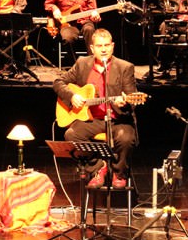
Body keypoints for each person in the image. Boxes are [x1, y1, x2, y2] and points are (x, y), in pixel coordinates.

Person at [53, 28, 137, 189]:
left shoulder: (125, 67)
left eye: (107, 45)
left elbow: (132, 97)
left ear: (113, 46)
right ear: (92, 48)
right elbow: (58, 82)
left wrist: (124, 102)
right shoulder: (82, 64)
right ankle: (99, 167)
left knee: (125, 138)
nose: (104, 49)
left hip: (117, 120)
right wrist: (72, 96)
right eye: (99, 46)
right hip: (92, 120)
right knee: (71, 134)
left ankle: (119, 173)